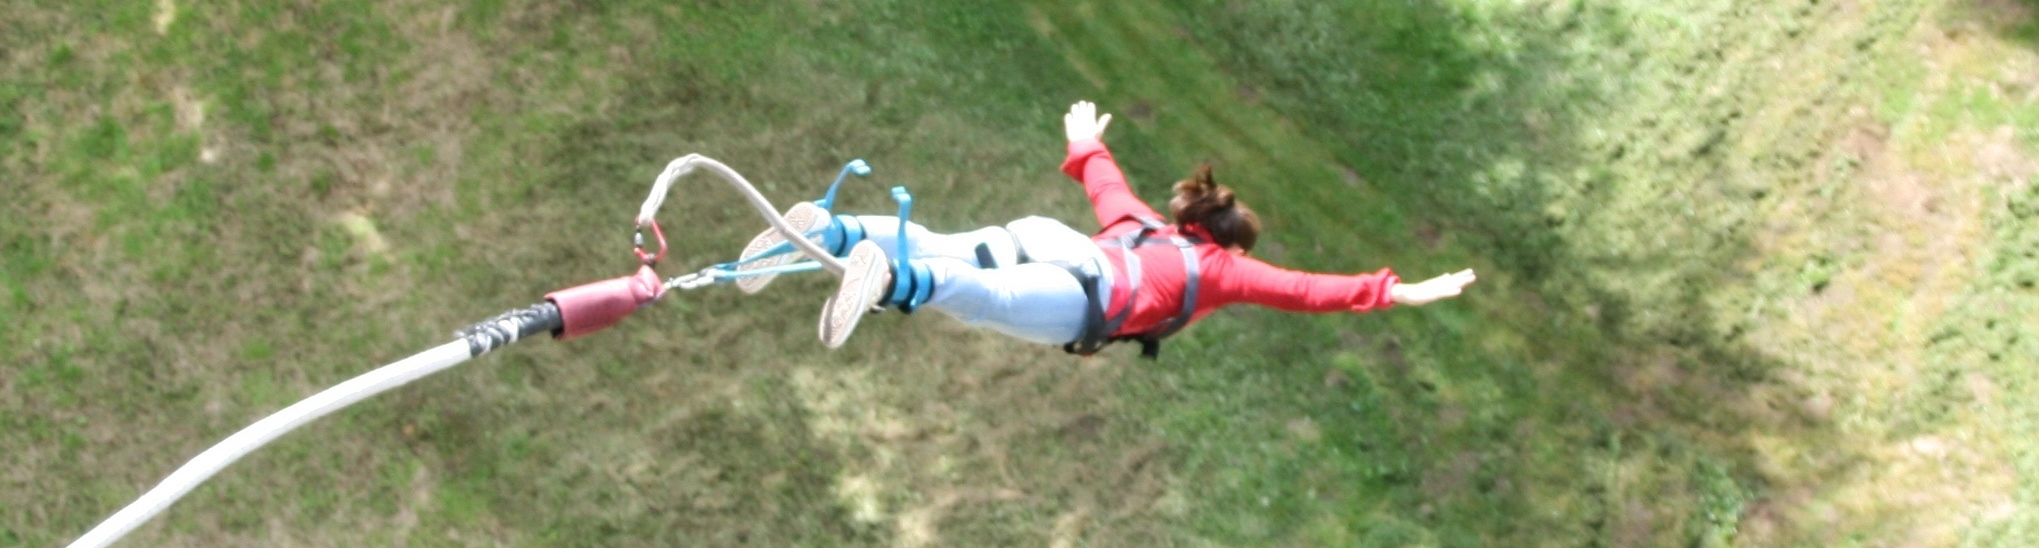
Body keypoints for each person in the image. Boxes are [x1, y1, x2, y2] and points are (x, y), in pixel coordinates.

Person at [807, 101, 1476, 357]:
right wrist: (1398, 291)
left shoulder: (1144, 225)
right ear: (1231, 243)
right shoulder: (1222, 271)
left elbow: (1106, 182)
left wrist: (1086, 142)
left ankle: (832, 232)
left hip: (1051, 241)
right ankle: (889, 280)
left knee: (943, 245)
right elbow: (1304, 289)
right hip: (1088, 300)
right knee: (985, 301)